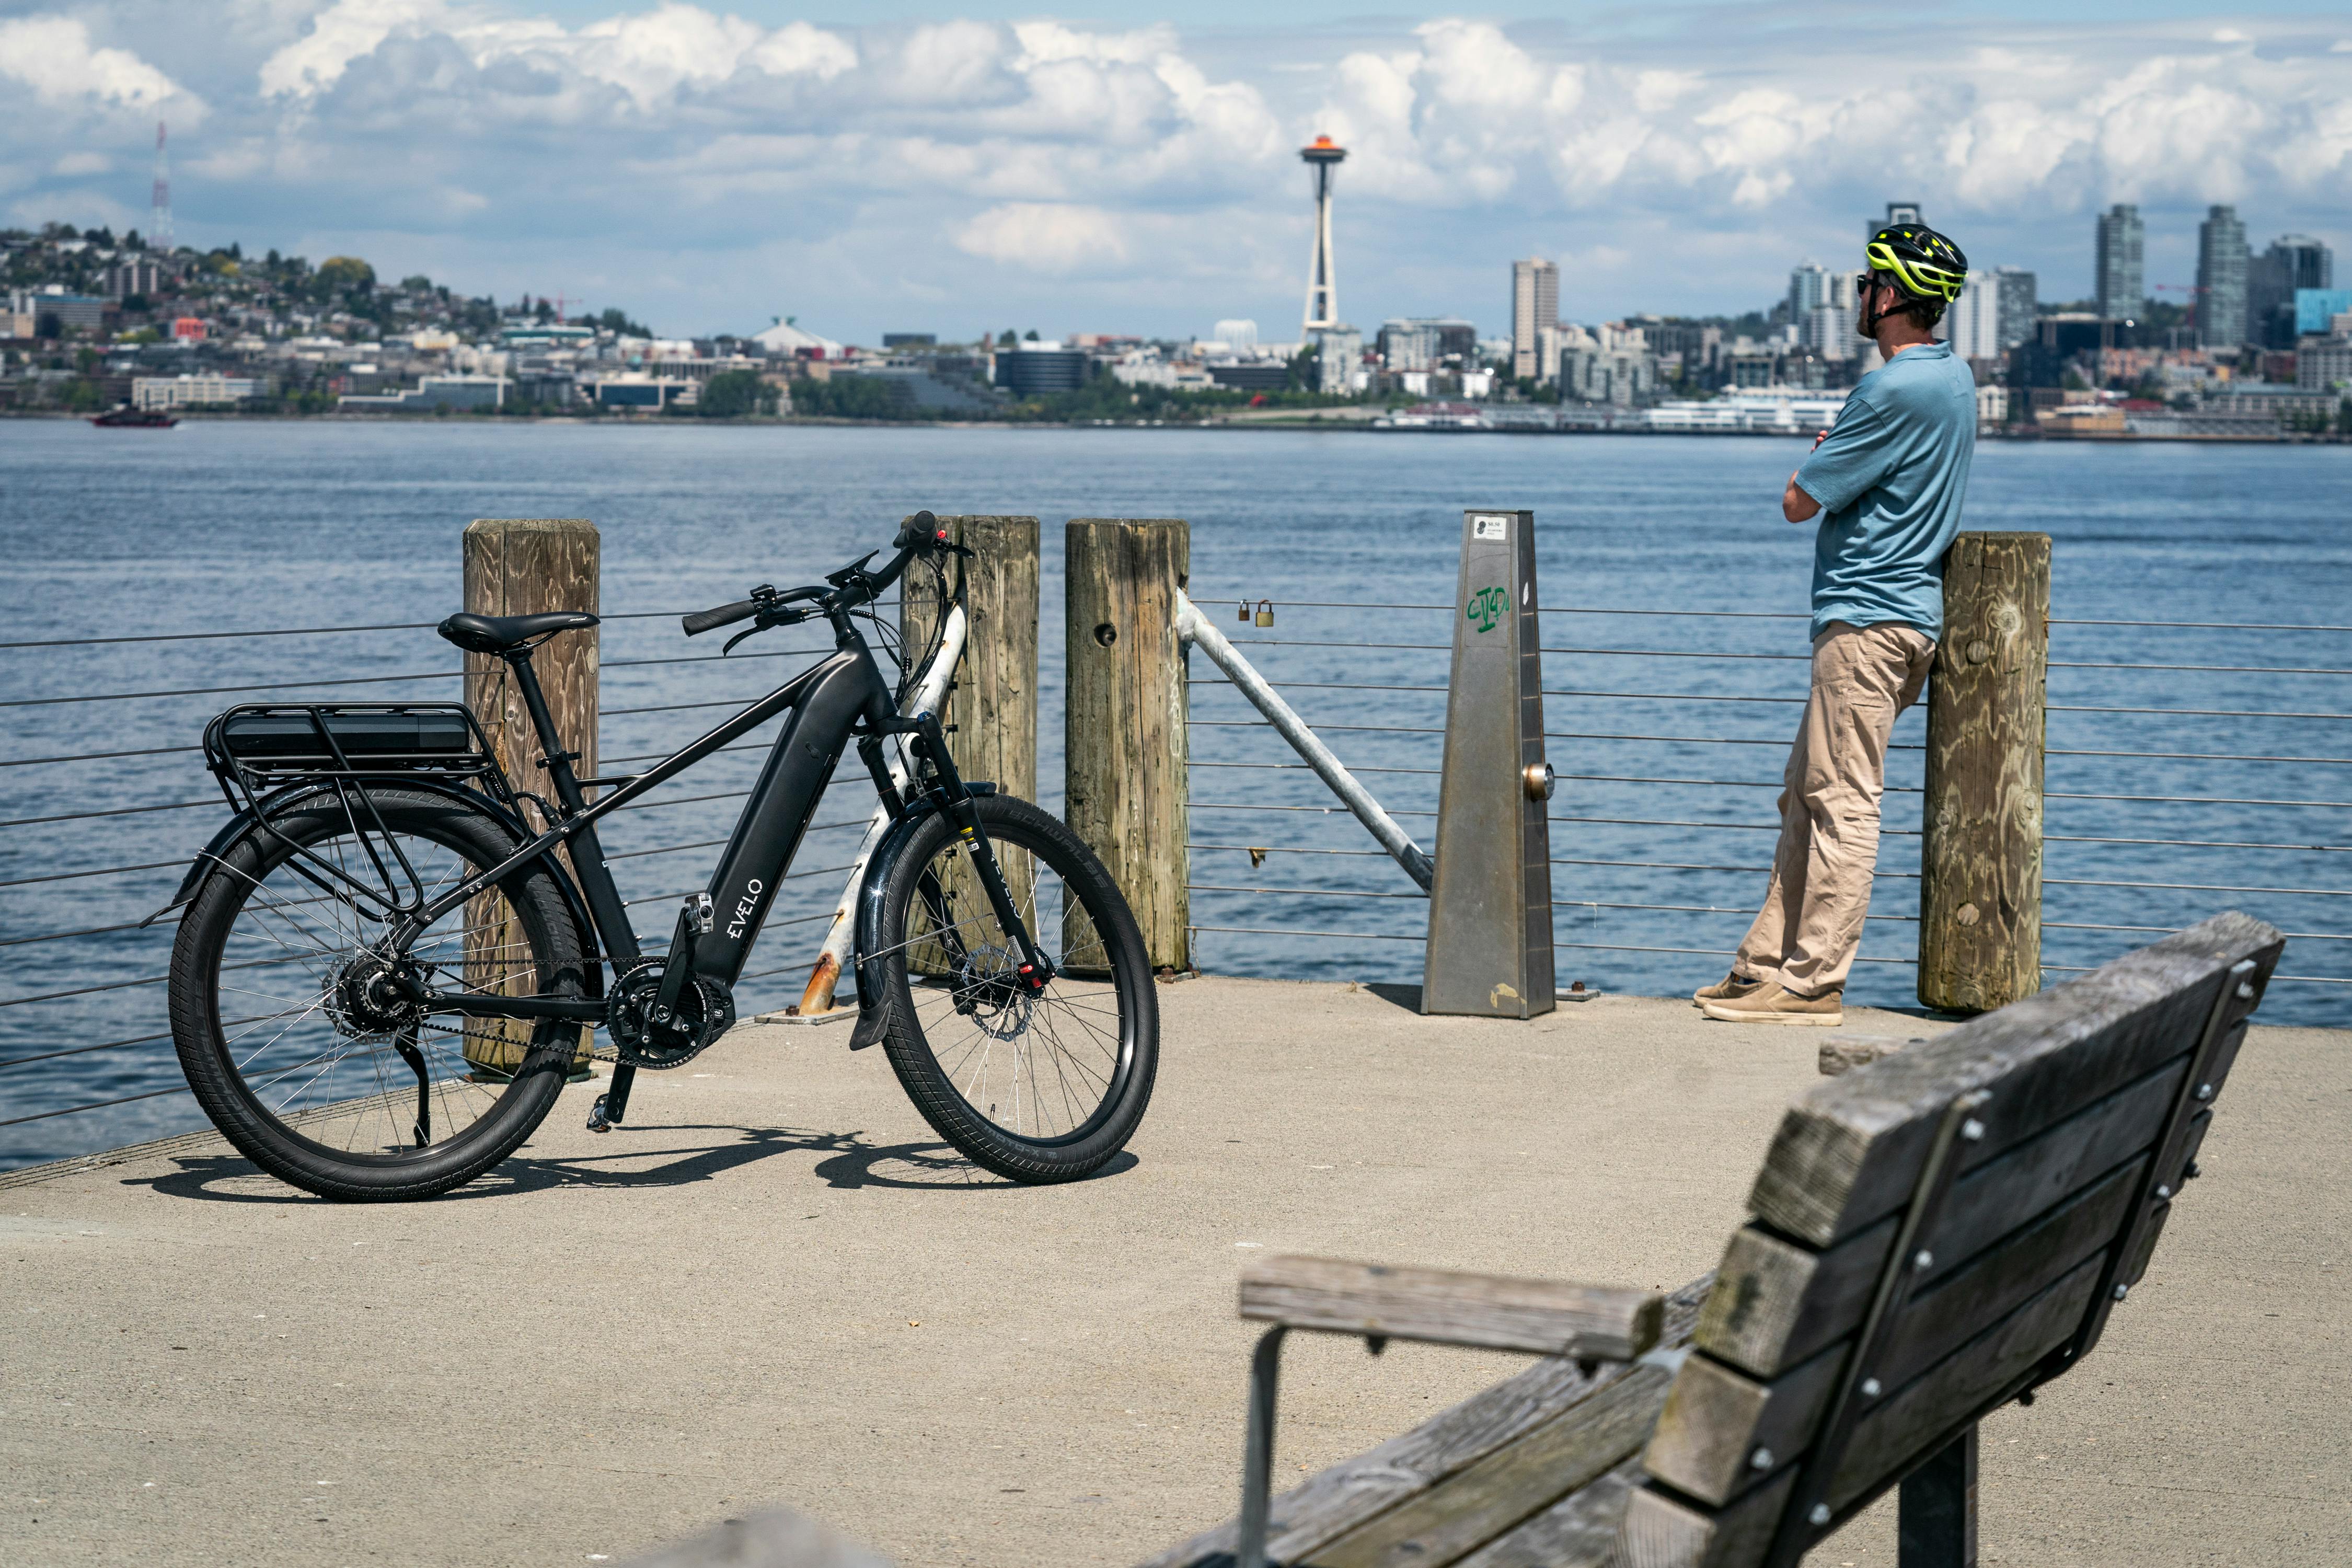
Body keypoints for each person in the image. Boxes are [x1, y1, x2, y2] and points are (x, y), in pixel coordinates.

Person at [1698, 223, 1976, 1026]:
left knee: (1841, 801)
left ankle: (1812, 982)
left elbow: (1798, 501)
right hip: (1904, 615)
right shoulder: (1953, 379)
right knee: (1806, 793)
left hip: (1865, 619)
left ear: (1887, 296)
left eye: (1865, 284)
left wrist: (1820, 453)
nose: (1860, 296)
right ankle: (1763, 966)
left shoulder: (1889, 391)